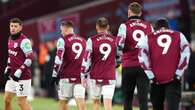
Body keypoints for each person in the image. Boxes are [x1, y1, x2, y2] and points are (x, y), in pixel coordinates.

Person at [137, 19, 191, 110]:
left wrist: (150, 75)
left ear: (156, 28)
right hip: (174, 78)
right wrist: (178, 72)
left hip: (156, 79)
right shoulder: (179, 35)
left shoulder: (148, 37)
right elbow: (186, 53)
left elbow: (142, 56)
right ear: (168, 27)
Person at [116, 2, 154, 110]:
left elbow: (119, 44)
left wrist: (118, 61)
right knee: (143, 99)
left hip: (128, 66)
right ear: (140, 13)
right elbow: (153, 46)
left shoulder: (124, 26)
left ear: (128, 12)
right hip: (143, 67)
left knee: (127, 99)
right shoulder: (149, 26)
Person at [81, 17, 118, 110]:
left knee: (96, 102)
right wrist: (116, 65)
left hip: (95, 75)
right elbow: (120, 56)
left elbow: (86, 59)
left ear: (97, 27)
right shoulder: (115, 40)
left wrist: (83, 75)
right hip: (109, 75)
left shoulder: (91, 40)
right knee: (108, 103)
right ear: (108, 27)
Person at [51, 20, 86, 110]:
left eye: (61, 30)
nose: (61, 32)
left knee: (63, 102)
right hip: (80, 76)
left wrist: (54, 74)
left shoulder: (62, 40)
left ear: (65, 29)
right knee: (80, 102)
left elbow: (58, 58)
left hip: (66, 76)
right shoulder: (83, 40)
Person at [3, 18, 33, 110]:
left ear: (20, 28)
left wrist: (20, 71)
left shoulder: (24, 41)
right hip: (12, 76)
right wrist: (8, 67)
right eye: (11, 26)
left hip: (23, 77)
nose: (13, 28)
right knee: (7, 100)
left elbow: (30, 58)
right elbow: (10, 55)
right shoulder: (10, 38)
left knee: (21, 102)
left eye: (15, 26)